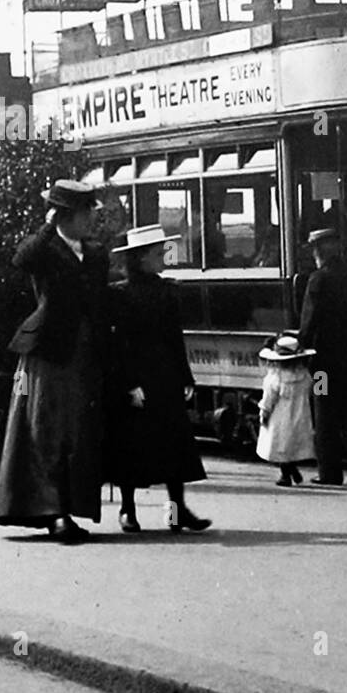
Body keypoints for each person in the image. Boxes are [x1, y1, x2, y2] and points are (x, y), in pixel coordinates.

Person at [0, 180, 109, 544]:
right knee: (46, 429)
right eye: (85, 212)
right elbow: (21, 258)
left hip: (83, 352)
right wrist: (48, 225)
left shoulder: (95, 254)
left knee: (77, 433)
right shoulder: (45, 249)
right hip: (48, 353)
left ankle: (69, 507)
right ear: (65, 215)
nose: (92, 219)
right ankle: (53, 512)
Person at [106, 224, 210, 533]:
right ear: (139, 258)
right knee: (131, 445)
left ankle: (177, 510)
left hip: (165, 376)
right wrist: (128, 383)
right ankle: (128, 509)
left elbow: (174, 338)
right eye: (156, 253)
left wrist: (186, 376)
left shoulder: (167, 291)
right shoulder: (119, 294)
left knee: (174, 444)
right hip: (137, 377)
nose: (162, 257)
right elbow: (118, 344)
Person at [297, 227, 347, 485]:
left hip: (322, 365)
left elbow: (309, 322)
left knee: (324, 416)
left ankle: (330, 473)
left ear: (318, 252)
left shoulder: (318, 280)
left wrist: (300, 347)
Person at [256, 332, 316, 485]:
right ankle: (293, 471)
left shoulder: (274, 377)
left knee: (280, 446)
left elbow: (268, 398)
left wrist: (264, 412)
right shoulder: (305, 375)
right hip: (300, 414)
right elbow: (313, 389)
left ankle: (286, 476)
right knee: (291, 446)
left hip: (280, 416)